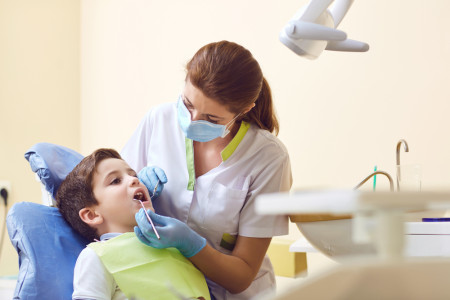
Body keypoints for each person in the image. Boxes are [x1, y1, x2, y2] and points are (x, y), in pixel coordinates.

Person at [122, 40, 292, 299]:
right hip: (163, 286)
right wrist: (137, 190)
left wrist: (189, 243)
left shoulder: (267, 158)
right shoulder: (158, 120)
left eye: (211, 119)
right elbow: (112, 199)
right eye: (187, 104)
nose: (192, 121)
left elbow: (242, 276)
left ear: (244, 111)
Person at [56, 148, 210, 300]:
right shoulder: (97, 256)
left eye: (133, 175)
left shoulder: (174, 246)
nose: (135, 180)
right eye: (116, 180)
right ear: (92, 215)